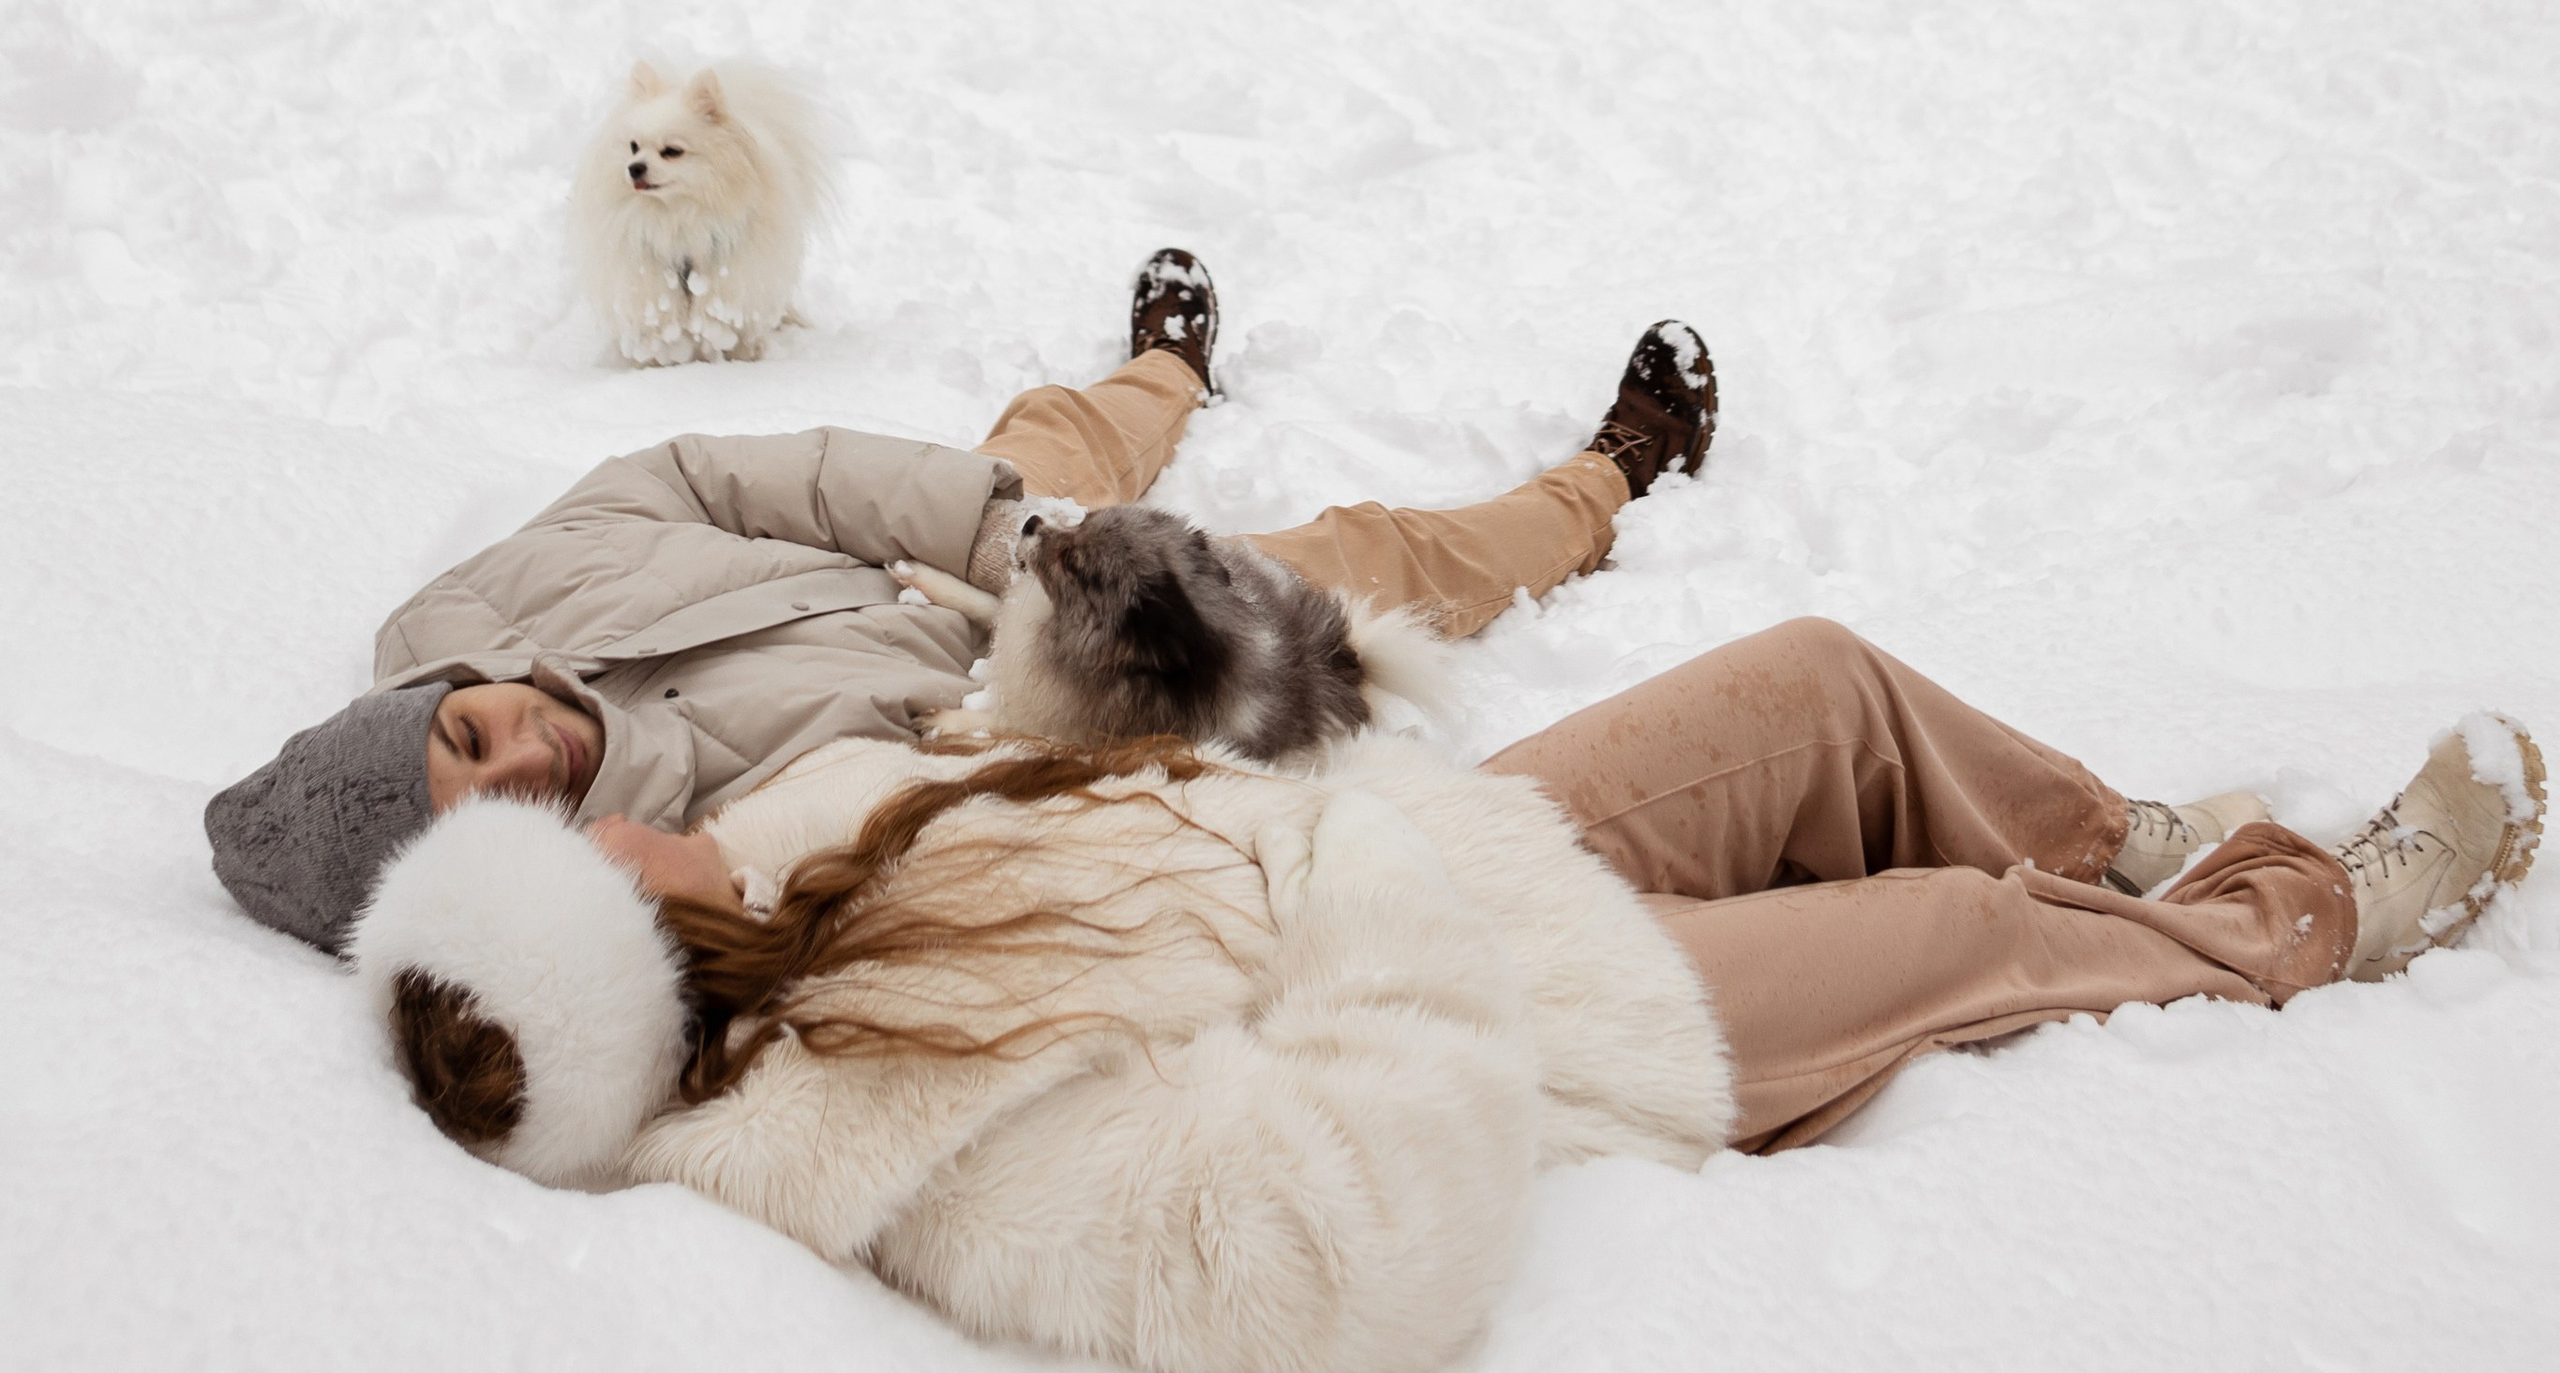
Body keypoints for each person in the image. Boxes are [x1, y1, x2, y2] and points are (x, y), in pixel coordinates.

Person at [359, 602, 2543, 1373]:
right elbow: (1324, 1259)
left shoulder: (774, 822)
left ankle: (2132, 827)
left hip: (1444, 827)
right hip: (1572, 1014)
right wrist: (1373, 916)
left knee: (1813, 684)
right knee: (1970, 934)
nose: (594, 808)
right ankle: (2302, 922)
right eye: (567, 854)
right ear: (633, 965)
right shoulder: (892, 1120)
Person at [203, 251, 1720, 954]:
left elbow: (705, 477)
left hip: (950, 535)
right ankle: (1605, 483)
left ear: (425, 690)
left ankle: (1171, 372)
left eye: (468, 732)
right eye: (500, 805)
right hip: (1064, 656)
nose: (529, 753)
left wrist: (993, 527)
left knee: (1056, 438)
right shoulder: (662, 853)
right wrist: (1054, 655)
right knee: (1366, 553)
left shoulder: (477, 603)